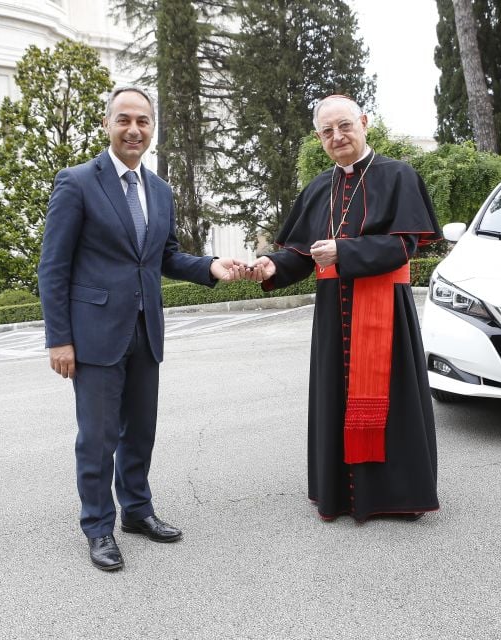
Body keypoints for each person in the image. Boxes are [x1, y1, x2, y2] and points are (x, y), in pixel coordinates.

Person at [37, 85, 243, 571]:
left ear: (153, 128)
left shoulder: (160, 190)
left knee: (140, 432)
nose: (134, 129)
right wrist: (59, 339)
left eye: (143, 121)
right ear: (107, 124)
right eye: (124, 120)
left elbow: (164, 255)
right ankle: (98, 527)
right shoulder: (77, 182)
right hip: (94, 335)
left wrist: (209, 267)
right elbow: (53, 267)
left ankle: (136, 510)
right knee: (98, 438)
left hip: (146, 329)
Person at [244, 95, 442, 522]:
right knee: (336, 396)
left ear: (364, 123)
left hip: (386, 309)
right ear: (319, 138)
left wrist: (344, 251)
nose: (337, 137)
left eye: (345, 126)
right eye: (327, 131)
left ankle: (396, 495)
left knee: (394, 403)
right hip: (335, 314)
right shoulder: (319, 187)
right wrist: (271, 266)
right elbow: (300, 255)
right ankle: (342, 495)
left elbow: (404, 246)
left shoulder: (398, 175)